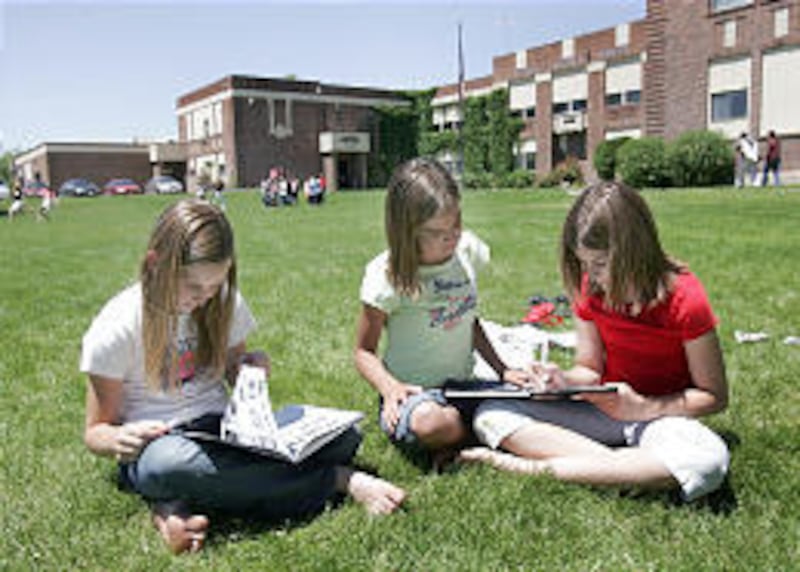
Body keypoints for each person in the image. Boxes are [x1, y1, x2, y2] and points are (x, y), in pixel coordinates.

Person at [81, 199, 405, 555]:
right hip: (164, 444)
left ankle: (176, 505)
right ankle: (334, 480)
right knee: (167, 466)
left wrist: (249, 367)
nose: (203, 298)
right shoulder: (116, 326)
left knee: (345, 438)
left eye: (213, 287)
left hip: (224, 431)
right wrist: (118, 439)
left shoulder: (221, 301)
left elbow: (234, 369)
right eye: (193, 287)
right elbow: (96, 432)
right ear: (156, 263)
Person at [461, 182, 730, 502]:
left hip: (661, 419)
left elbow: (714, 396)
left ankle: (521, 466)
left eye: (600, 265)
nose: (592, 276)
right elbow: (589, 370)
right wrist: (561, 381)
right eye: (584, 264)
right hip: (602, 413)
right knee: (492, 413)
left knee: (708, 461)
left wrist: (645, 408)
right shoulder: (591, 289)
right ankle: (622, 470)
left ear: (634, 252)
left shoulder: (686, 300)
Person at [354, 158, 529, 463]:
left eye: (456, 223)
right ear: (406, 231)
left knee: (536, 397)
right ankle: (480, 432)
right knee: (431, 423)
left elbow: (468, 321)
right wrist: (389, 387)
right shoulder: (386, 276)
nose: (452, 237)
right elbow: (363, 352)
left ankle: (475, 429)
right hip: (416, 395)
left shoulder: (466, 252)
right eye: (437, 232)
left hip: (465, 387)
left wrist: (503, 370)